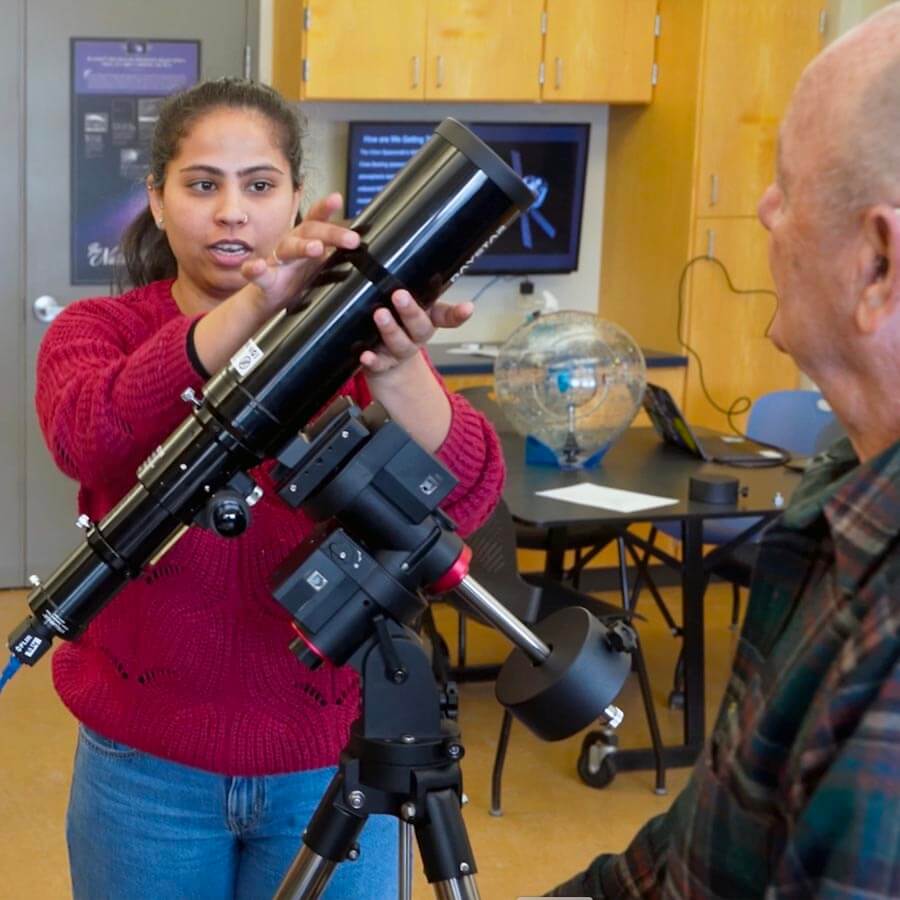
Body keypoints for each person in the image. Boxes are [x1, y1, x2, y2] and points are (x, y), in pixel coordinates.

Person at [36, 78, 504, 899]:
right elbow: (87, 434)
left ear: (294, 199)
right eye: (201, 185)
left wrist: (398, 368)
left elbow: (465, 498)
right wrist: (257, 305)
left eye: (258, 185)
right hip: (145, 771)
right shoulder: (99, 332)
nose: (231, 213)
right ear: (157, 199)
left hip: (330, 766)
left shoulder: (348, 341)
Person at [550, 6, 900, 898]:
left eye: (788, 185)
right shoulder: (842, 509)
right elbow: (688, 851)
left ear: (879, 265)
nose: (763, 210)